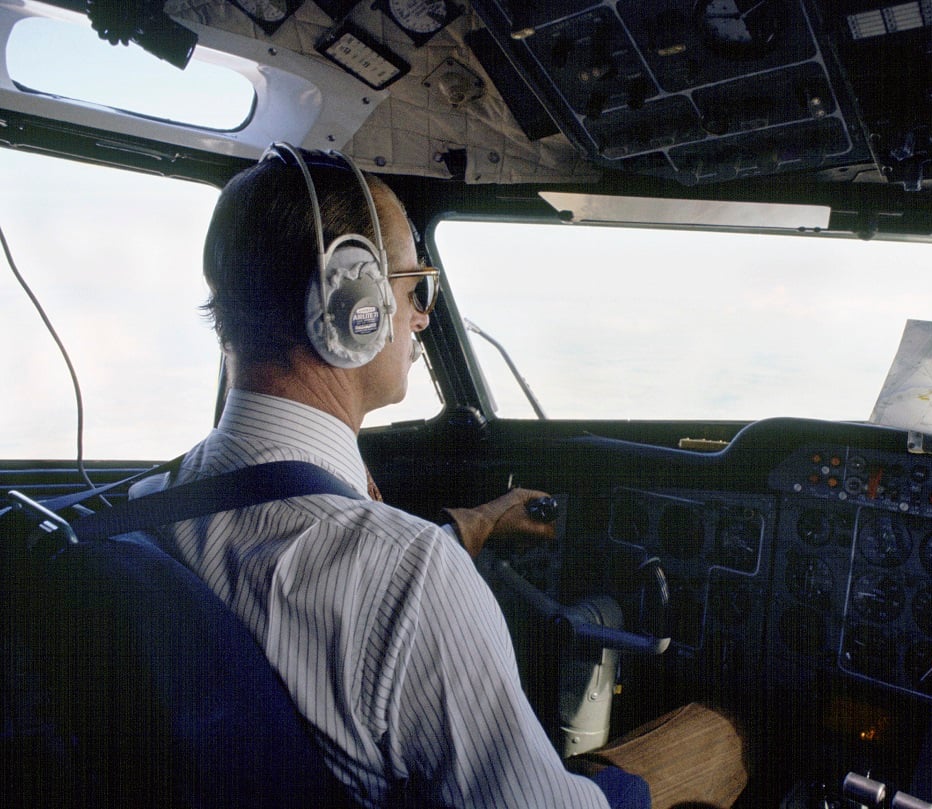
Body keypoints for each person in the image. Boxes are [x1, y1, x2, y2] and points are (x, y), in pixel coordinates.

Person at [140, 145, 640, 808]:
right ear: (352, 301)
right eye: (414, 287)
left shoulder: (148, 503)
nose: (423, 316)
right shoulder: (412, 576)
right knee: (703, 741)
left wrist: (481, 520)